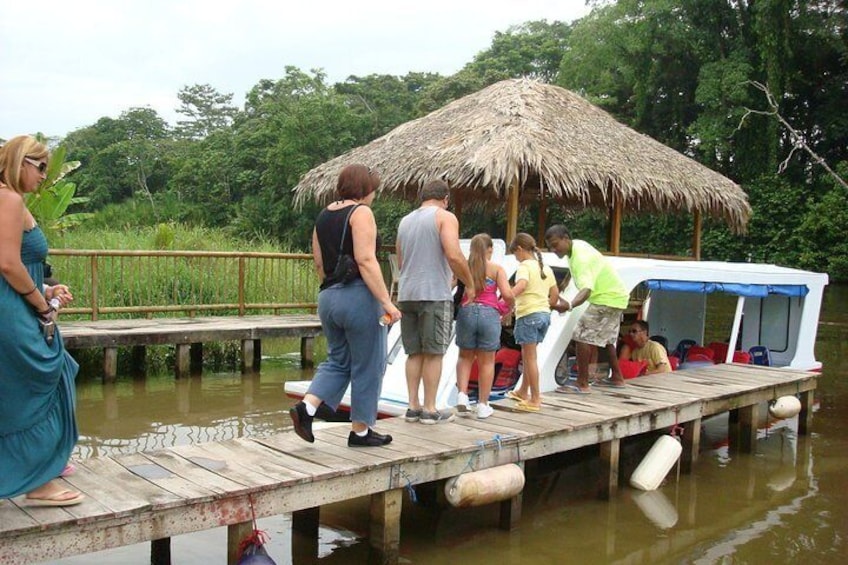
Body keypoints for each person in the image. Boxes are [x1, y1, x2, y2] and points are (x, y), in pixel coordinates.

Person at [289, 164, 401, 447]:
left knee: (339, 360)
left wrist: (333, 289)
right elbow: (366, 260)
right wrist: (387, 302)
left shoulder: (323, 215)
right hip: (358, 297)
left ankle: (307, 408)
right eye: (373, 189)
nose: (374, 195)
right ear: (365, 189)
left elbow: (318, 262)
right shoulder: (361, 212)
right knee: (369, 364)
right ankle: (361, 431)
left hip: (328, 297)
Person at [0, 135, 83, 506]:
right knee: (45, 380)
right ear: (21, 161)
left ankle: (38, 471)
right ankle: (39, 479)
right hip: (13, 311)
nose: (44, 176)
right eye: (40, 167)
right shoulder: (8, 198)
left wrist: (47, 290)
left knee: (32, 384)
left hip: (18, 302)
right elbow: (6, 263)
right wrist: (42, 305)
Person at [396, 179, 475, 425]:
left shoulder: (405, 221)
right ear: (446, 199)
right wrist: (469, 283)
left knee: (414, 352)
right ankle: (430, 409)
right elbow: (454, 254)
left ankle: (413, 406)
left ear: (422, 197)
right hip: (433, 294)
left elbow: (401, 261)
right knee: (434, 352)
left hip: (407, 292)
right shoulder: (444, 217)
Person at [545, 225, 630, 393]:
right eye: (550, 247)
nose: (554, 249)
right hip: (617, 297)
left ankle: (582, 383)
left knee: (581, 335)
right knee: (605, 339)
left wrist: (569, 305)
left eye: (555, 244)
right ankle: (617, 378)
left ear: (566, 238)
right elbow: (578, 274)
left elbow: (586, 289)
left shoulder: (580, 258)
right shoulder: (577, 247)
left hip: (605, 298)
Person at [455, 233, 513, 419]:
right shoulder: (496, 269)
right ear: (490, 249)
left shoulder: (464, 267)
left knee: (465, 357)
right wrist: (506, 307)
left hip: (467, 311)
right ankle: (482, 404)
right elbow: (507, 294)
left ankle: (462, 395)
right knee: (486, 361)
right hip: (489, 313)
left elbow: (452, 286)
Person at [504, 233, 559, 412]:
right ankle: (522, 391)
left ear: (519, 249)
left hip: (528, 315)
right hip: (544, 315)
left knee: (529, 358)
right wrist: (544, 305)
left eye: (515, 254)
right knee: (530, 356)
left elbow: (521, 285)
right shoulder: (545, 268)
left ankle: (535, 399)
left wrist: (506, 297)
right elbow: (555, 295)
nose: (516, 258)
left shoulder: (524, 266)